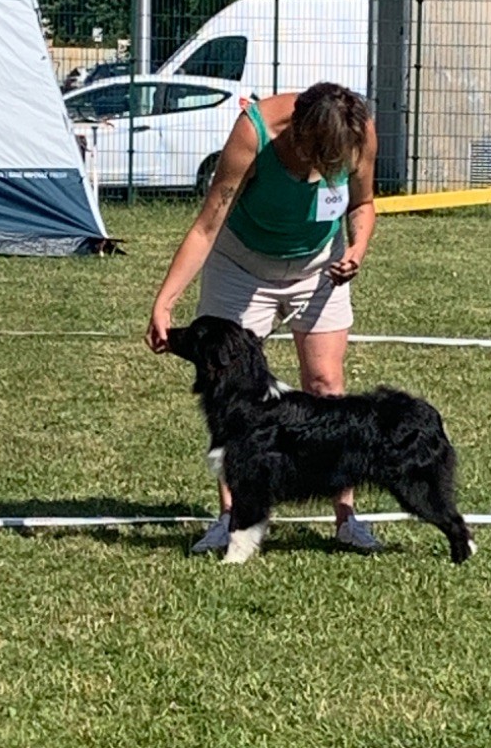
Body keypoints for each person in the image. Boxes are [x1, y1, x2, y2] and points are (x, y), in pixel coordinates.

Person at [145, 81, 381, 555]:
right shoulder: (254, 134)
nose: (331, 165)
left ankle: (346, 517)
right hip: (241, 264)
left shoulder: (359, 132)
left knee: (327, 387)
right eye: (323, 154)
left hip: (319, 269)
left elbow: (362, 204)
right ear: (300, 133)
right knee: (233, 394)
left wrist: (356, 248)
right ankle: (232, 519)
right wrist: (166, 300)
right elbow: (208, 223)